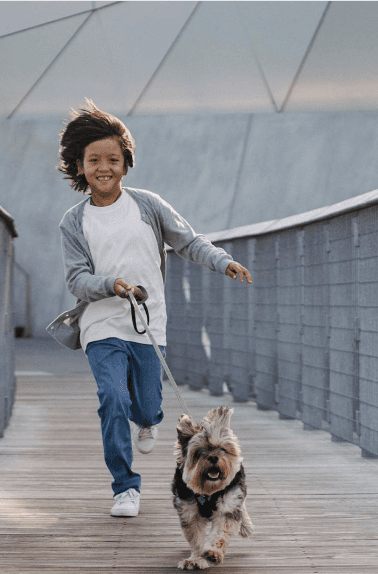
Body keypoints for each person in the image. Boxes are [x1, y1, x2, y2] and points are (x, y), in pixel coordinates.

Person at [47, 100, 252, 518]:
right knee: (112, 399)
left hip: (147, 326)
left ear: (126, 163)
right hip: (101, 324)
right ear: (79, 166)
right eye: (94, 160)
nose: (104, 167)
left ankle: (149, 419)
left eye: (113, 159)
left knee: (144, 405)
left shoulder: (147, 206)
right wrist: (111, 285)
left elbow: (189, 242)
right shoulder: (74, 222)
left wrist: (222, 261)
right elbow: (76, 280)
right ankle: (125, 487)